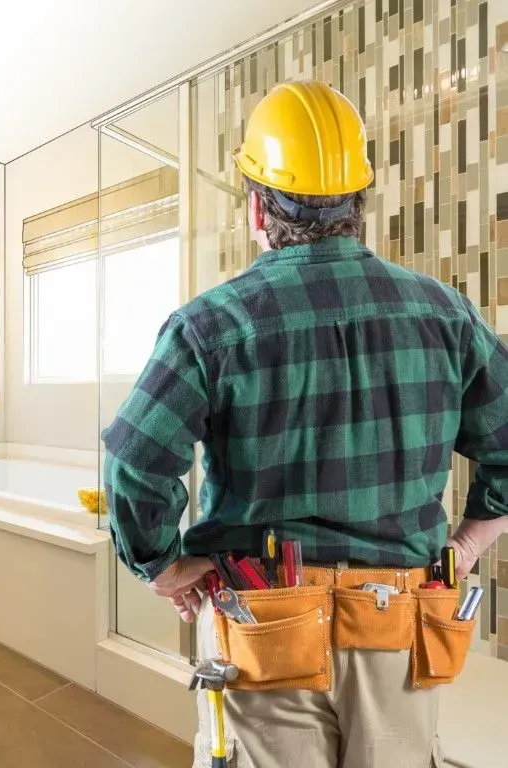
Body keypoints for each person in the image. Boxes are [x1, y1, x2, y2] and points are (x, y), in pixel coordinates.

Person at [101, 80, 508, 767]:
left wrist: (163, 564)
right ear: (359, 203)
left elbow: (135, 461)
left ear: (259, 206)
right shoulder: (446, 314)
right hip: (401, 623)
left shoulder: (211, 324)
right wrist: (468, 542)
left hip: (264, 625)